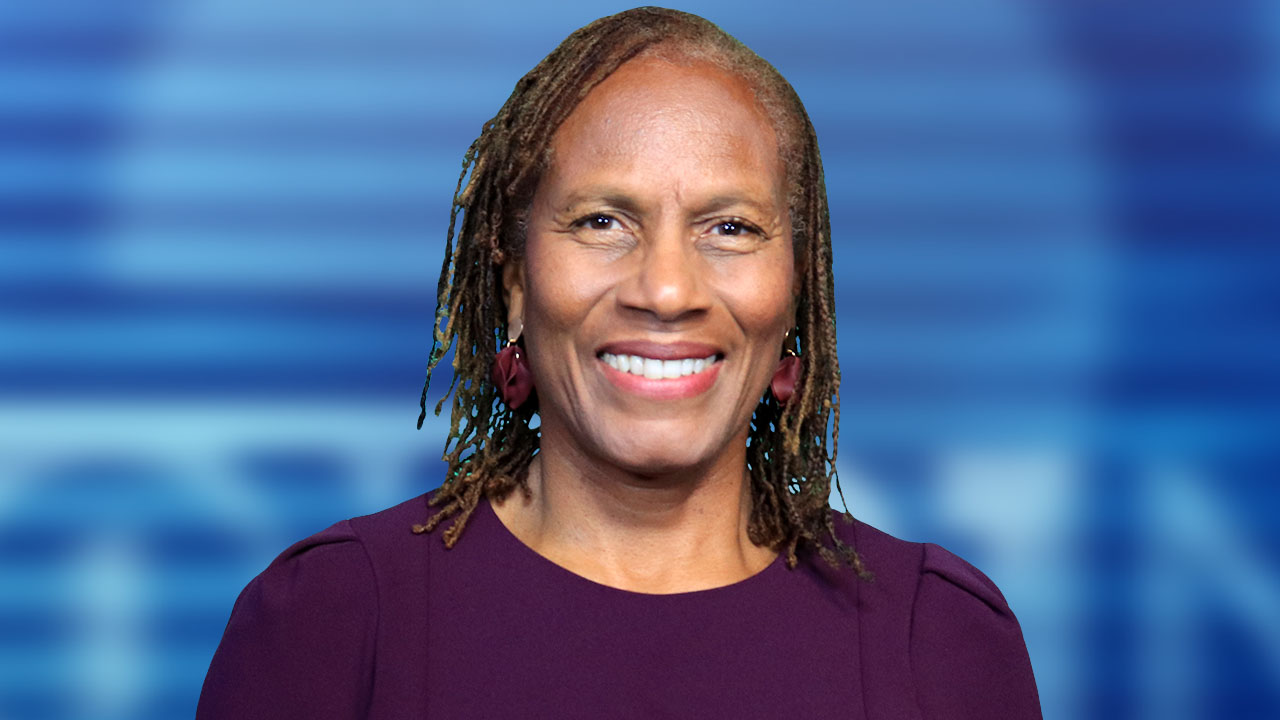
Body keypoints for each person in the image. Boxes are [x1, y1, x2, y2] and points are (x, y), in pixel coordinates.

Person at [197, 7, 1042, 718]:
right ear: (516, 282)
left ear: (793, 294)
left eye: (731, 228)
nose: (666, 289)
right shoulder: (333, 622)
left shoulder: (938, 639)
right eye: (603, 221)